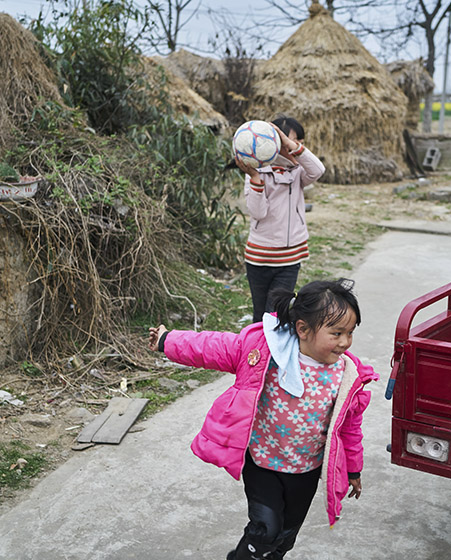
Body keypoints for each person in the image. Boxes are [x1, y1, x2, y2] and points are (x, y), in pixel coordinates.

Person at [148, 279, 378, 559]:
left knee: (284, 539)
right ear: (303, 329)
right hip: (262, 462)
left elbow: (350, 430)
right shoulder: (265, 352)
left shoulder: (348, 376)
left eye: (350, 333)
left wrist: (353, 470)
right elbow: (212, 347)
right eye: (336, 333)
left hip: (305, 470)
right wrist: (167, 340)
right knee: (265, 530)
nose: (345, 342)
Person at [235, 116, 325, 323]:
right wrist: (256, 179)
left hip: (290, 258)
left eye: (299, 142)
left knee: (275, 315)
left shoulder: (298, 171)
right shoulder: (256, 172)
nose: (295, 146)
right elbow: (258, 213)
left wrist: (290, 144)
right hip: (259, 257)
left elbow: (319, 170)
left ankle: (271, 345)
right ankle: (256, 345)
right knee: (260, 316)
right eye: (291, 141)